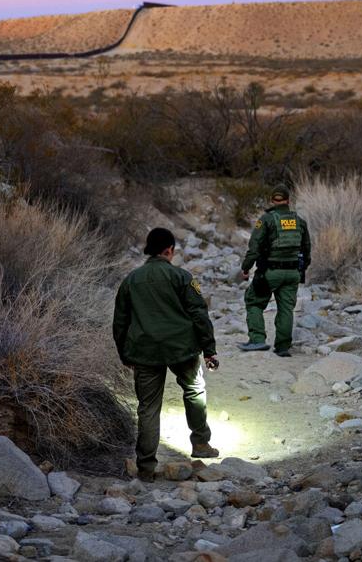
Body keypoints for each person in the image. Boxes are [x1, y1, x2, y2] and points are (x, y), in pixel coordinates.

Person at [113, 227, 220, 483]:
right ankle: (201, 444)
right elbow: (199, 314)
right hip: (182, 349)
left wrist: (125, 354)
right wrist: (209, 350)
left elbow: (120, 322)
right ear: (169, 250)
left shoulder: (131, 281)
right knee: (194, 391)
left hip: (144, 352)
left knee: (148, 408)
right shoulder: (182, 277)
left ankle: (146, 467)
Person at [238, 185, 311, 357]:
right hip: (293, 273)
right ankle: (283, 347)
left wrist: (246, 268)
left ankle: (257, 339)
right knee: (286, 309)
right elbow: (307, 250)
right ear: (288, 200)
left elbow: (254, 248)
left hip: (270, 272)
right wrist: (300, 269)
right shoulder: (299, 221)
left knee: (254, 302)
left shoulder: (266, 220)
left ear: (272, 200)